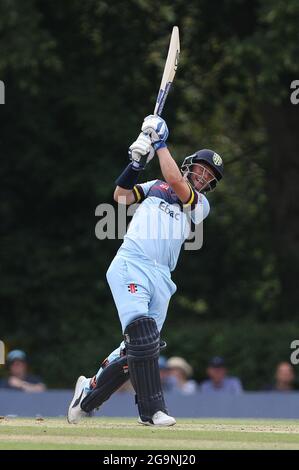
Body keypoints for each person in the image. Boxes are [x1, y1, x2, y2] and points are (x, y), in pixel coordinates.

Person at [68, 114, 224, 426]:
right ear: (190, 164)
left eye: (210, 175)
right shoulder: (156, 185)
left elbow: (179, 185)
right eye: (202, 169)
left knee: (138, 349)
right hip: (132, 263)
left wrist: (159, 142)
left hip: (162, 278)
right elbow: (121, 197)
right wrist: (137, 163)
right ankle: (151, 411)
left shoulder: (199, 205)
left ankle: (86, 397)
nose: (204, 176)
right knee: (141, 336)